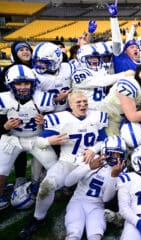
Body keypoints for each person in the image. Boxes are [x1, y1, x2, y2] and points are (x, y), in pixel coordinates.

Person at [18, 90, 108, 239]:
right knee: (46, 186)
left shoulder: (97, 116)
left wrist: (93, 149)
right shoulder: (60, 118)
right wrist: (49, 141)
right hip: (69, 161)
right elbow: (39, 142)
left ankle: (108, 210)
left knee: (112, 178)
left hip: (92, 161)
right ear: (70, 105)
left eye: (85, 101)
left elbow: (104, 140)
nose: (83, 104)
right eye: (78, 102)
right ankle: (38, 218)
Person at [0, 65, 58, 210]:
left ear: (33, 84)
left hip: (36, 138)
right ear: (10, 84)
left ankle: (37, 186)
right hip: (12, 138)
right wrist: (4, 126)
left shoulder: (43, 98)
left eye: (26, 83)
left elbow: (57, 121)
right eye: (18, 83)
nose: (23, 87)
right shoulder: (3, 99)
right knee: (1, 169)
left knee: (56, 169)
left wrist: (46, 121)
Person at [63, 136, 125, 240]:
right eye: (113, 153)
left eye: (119, 154)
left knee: (95, 235)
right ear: (105, 151)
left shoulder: (120, 171)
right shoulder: (92, 159)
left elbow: (106, 199)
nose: (116, 157)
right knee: (73, 234)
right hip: (77, 202)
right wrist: (89, 167)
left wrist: (113, 176)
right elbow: (68, 182)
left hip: (97, 206)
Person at [0, 40, 34, 189]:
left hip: (33, 111)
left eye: (27, 49)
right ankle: (19, 177)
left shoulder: (37, 67)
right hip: (14, 111)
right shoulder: (9, 70)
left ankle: (37, 177)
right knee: (14, 143)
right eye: (21, 50)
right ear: (15, 53)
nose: (25, 52)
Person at [71, 43, 134, 110]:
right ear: (82, 59)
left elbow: (110, 81)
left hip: (101, 109)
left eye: (97, 57)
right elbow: (101, 81)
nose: (95, 60)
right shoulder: (78, 74)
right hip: (85, 110)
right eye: (91, 58)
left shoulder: (101, 70)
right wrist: (123, 74)